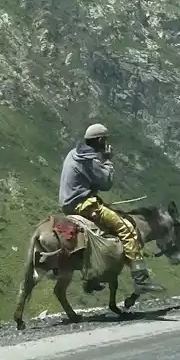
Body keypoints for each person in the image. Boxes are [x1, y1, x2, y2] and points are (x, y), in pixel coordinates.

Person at [58, 123, 156, 294]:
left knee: (101, 234)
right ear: (100, 140)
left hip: (68, 204)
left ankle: (94, 276)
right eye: (105, 140)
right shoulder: (89, 160)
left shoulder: (74, 153)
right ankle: (141, 279)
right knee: (127, 229)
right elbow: (106, 183)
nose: (106, 144)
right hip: (83, 205)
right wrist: (108, 160)